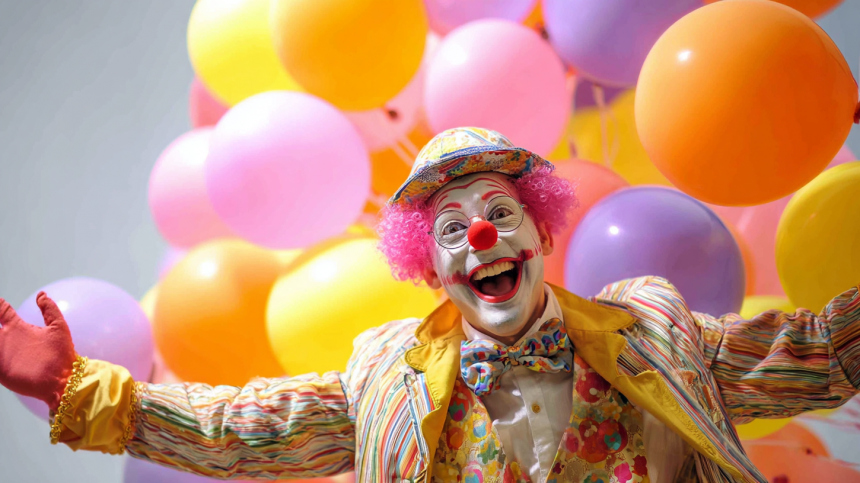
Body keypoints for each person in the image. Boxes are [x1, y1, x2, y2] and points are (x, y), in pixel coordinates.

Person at [0, 127, 858, 483]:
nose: (480, 236)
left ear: (541, 230)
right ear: (431, 266)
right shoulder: (386, 377)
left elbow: (818, 350)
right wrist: (76, 389)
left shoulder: (654, 332)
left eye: (499, 214)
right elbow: (244, 429)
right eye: (452, 228)